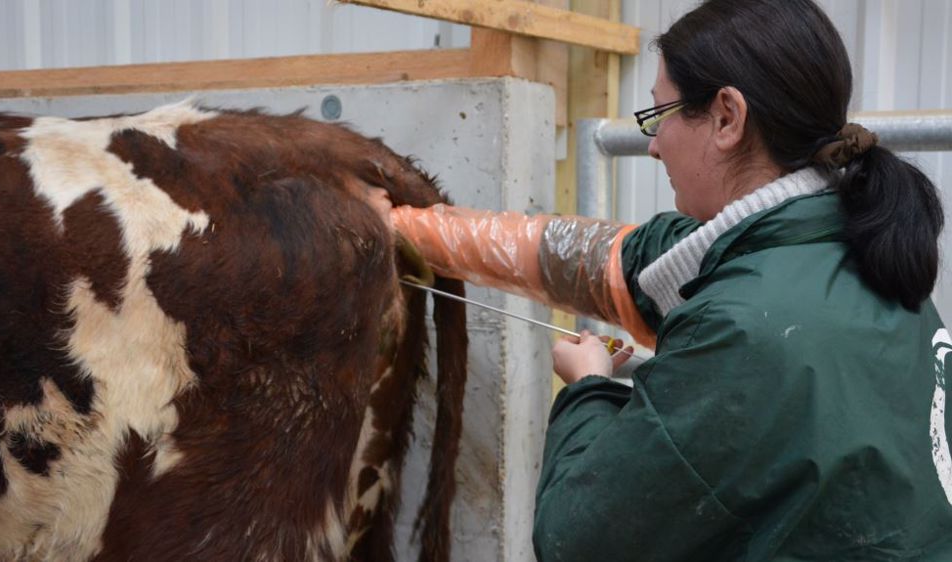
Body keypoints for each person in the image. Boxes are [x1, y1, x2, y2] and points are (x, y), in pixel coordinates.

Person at [391, 0, 952, 559]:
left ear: (728, 117)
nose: (653, 144)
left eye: (659, 115)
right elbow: (624, 258)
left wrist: (588, 388)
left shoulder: (739, 326)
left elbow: (575, 538)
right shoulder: (863, 246)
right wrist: (404, 229)